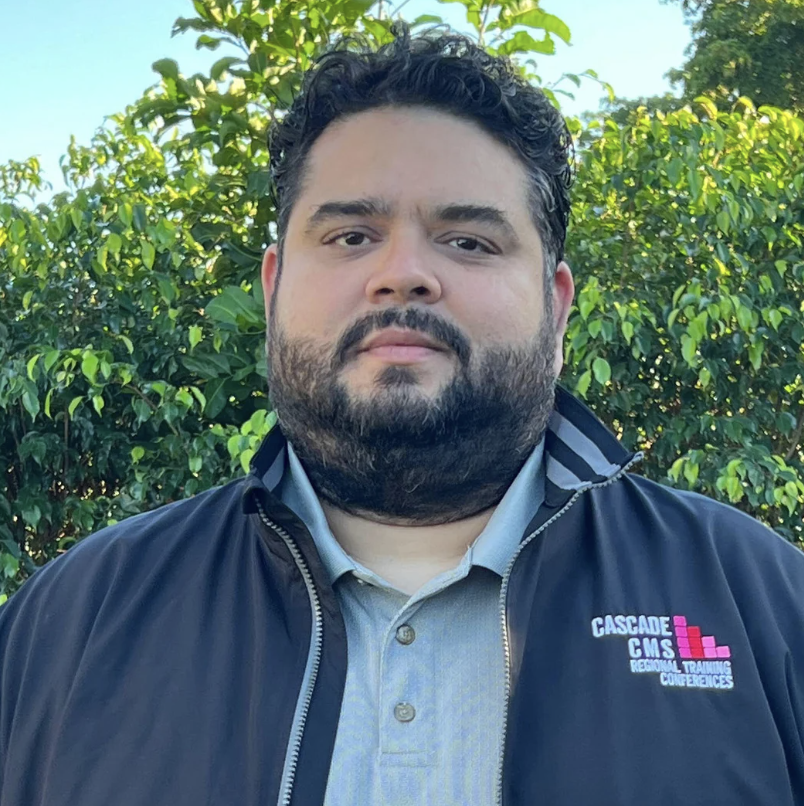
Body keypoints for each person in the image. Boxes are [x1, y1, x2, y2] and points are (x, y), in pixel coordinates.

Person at [1, 24, 803, 806]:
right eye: (352, 235)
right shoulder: (65, 626)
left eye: (469, 241)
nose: (404, 274)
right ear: (274, 287)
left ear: (557, 310)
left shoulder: (766, 606)